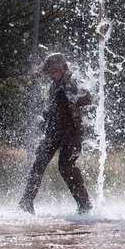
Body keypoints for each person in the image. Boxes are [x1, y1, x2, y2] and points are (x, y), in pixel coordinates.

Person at [19, 53, 93, 215]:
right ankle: (26, 203)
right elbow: (50, 109)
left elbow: (88, 97)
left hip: (72, 132)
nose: (51, 76)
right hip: (53, 131)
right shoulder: (54, 85)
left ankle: (84, 204)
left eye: (54, 72)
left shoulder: (73, 81)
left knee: (65, 167)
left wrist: (73, 98)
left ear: (64, 68)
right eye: (50, 73)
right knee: (38, 164)